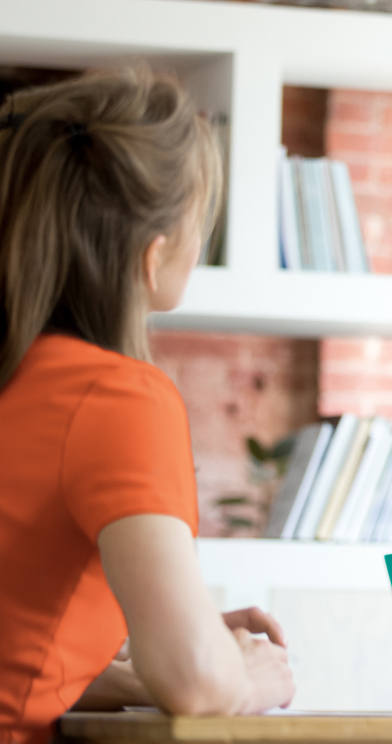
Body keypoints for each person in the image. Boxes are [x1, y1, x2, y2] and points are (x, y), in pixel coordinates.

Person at [0, 71, 295, 744]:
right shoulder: (117, 396)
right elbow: (197, 681)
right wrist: (248, 676)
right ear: (154, 255)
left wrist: (156, 663)